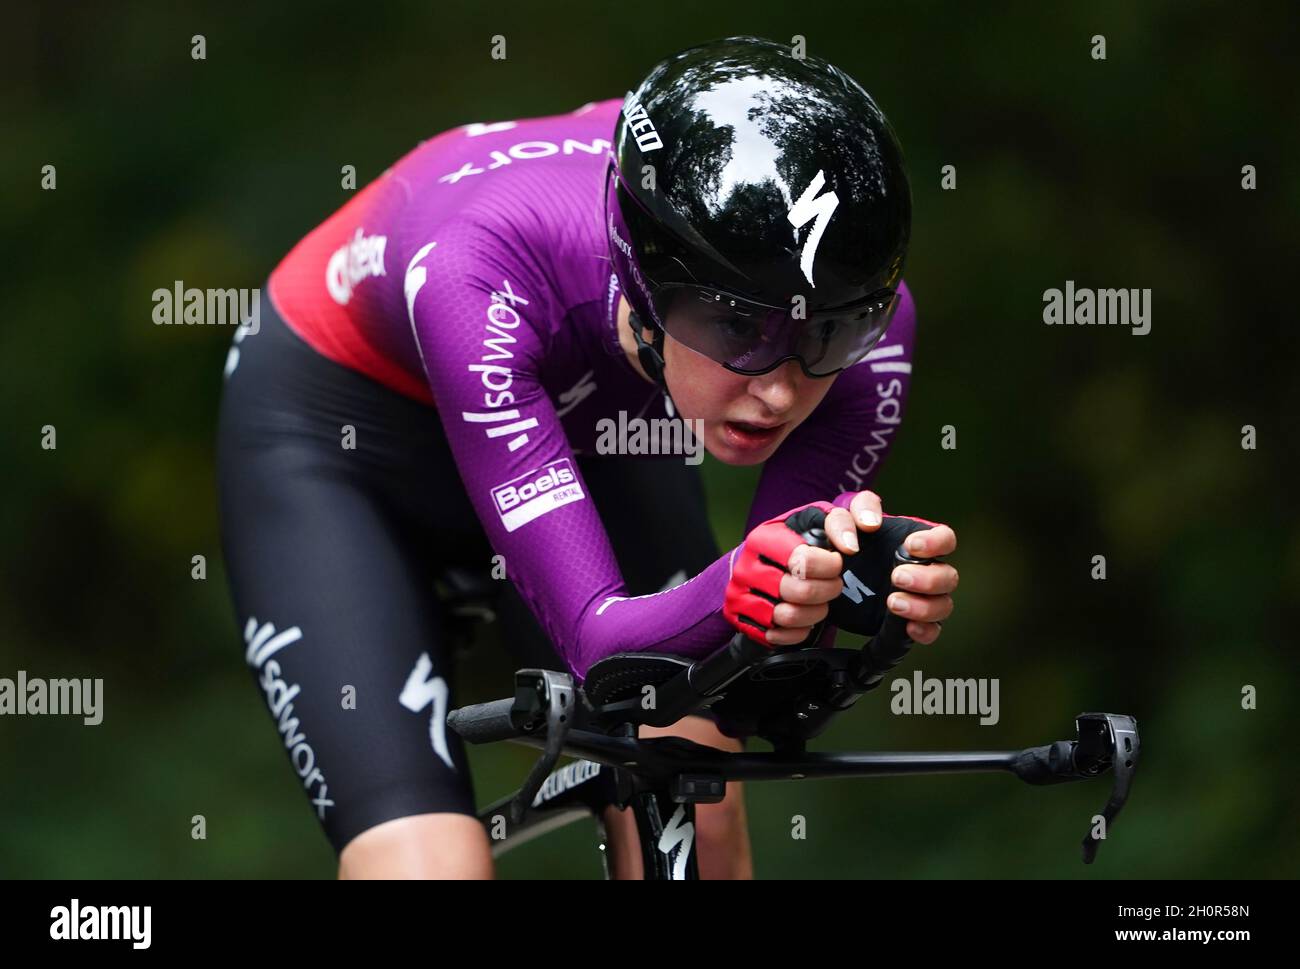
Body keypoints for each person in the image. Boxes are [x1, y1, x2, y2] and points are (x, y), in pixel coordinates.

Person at [216, 35, 958, 879]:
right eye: (737, 328)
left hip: (587, 422)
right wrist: (746, 586)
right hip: (340, 443)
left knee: (697, 789)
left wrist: (853, 597)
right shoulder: (481, 269)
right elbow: (604, 646)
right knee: (428, 864)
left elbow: (758, 656)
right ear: (644, 281)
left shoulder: (873, 330)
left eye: (827, 334)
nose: (781, 390)